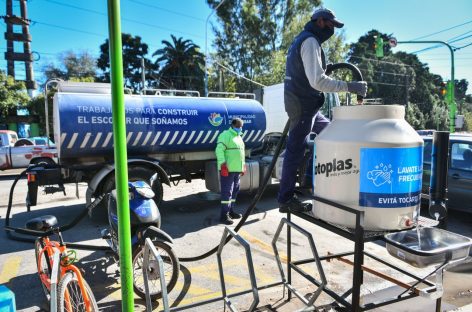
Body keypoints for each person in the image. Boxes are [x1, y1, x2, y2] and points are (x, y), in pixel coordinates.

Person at [278, 8, 368, 213]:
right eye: (331, 25)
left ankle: (334, 184)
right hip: (302, 104)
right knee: (295, 151)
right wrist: (350, 87)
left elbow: (308, 71)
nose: (332, 29)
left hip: (307, 104)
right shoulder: (309, 42)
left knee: (333, 132)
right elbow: (317, 81)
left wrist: (325, 67)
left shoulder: (305, 40)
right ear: (320, 21)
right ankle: (285, 200)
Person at [215, 118, 246, 224]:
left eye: (241, 126)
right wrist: (223, 164)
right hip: (228, 170)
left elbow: (241, 153)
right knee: (227, 192)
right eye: (238, 126)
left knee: (235, 191)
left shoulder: (239, 137)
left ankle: (230, 211)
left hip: (237, 169)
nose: (240, 128)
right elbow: (219, 150)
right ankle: (224, 215)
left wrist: (243, 166)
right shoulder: (225, 135)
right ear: (233, 125)